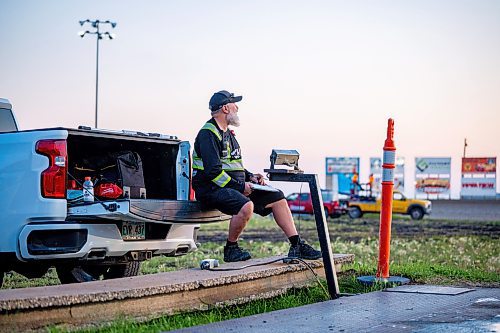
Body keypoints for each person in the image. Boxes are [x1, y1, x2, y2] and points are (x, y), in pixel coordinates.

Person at [192, 90, 322, 262]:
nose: (236, 108)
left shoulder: (227, 134)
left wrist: (251, 177)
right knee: (246, 206)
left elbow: (233, 165)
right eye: (234, 104)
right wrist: (240, 187)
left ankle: (297, 245)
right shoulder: (208, 134)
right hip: (211, 189)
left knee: (278, 198)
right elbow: (213, 172)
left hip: (232, 186)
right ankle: (231, 249)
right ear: (225, 108)